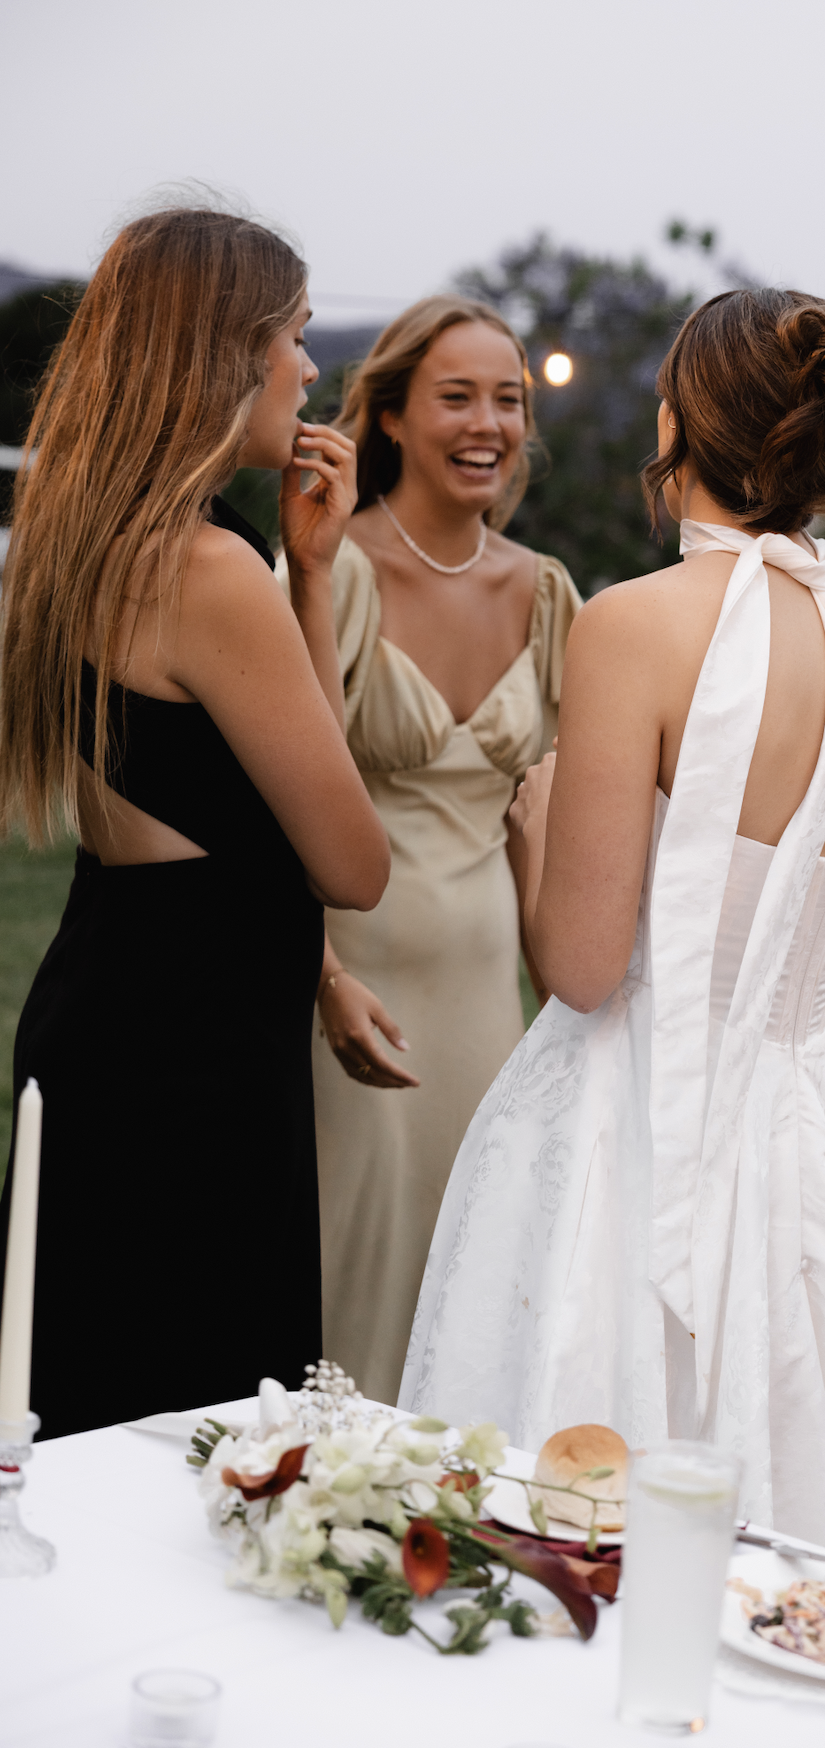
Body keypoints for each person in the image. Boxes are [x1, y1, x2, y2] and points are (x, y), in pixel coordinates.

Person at [402, 288, 825, 1549]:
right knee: (788, 1468)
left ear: (677, 426)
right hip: (808, 1124)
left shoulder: (633, 625)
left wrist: (540, 814)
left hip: (634, 1114)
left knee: (570, 1469)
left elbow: (588, 968)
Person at [0, 206, 390, 1439]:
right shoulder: (208, 569)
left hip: (115, 1004)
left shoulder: (77, 535)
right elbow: (351, 860)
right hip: (195, 1058)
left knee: (91, 1414)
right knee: (195, 1431)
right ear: (225, 352)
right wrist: (283, 583)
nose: (311, 371)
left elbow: (277, 793)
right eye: (296, 335)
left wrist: (313, 574)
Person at [276, 298, 581, 1406]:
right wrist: (318, 976)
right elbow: (281, 778)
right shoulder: (329, 569)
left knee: (474, 1284)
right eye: (457, 395)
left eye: (508, 399)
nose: (489, 422)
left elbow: (568, 813)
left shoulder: (548, 594)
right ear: (393, 416)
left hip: (485, 1005)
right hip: (348, 990)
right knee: (346, 1289)